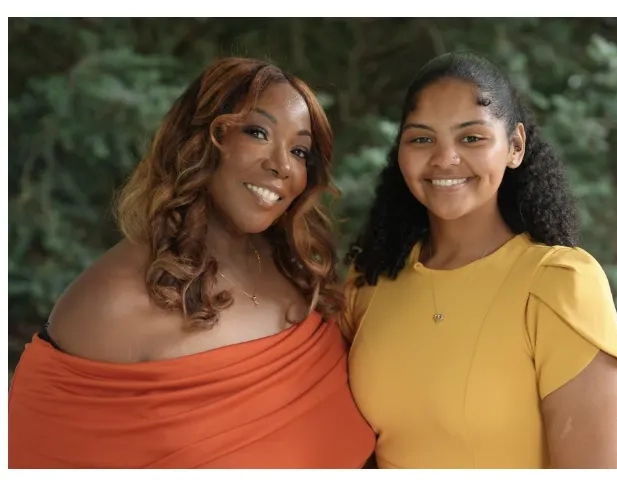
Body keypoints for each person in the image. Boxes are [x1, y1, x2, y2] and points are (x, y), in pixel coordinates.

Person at [7, 58, 376, 468]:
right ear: (200, 139)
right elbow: (36, 454)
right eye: (257, 132)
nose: (283, 165)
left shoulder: (298, 268)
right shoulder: (111, 301)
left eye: (299, 151)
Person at [342, 52, 617, 469]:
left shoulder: (560, 284)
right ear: (401, 150)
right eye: (422, 138)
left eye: (472, 138)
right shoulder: (369, 280)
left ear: (515, 146)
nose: (445, 158)